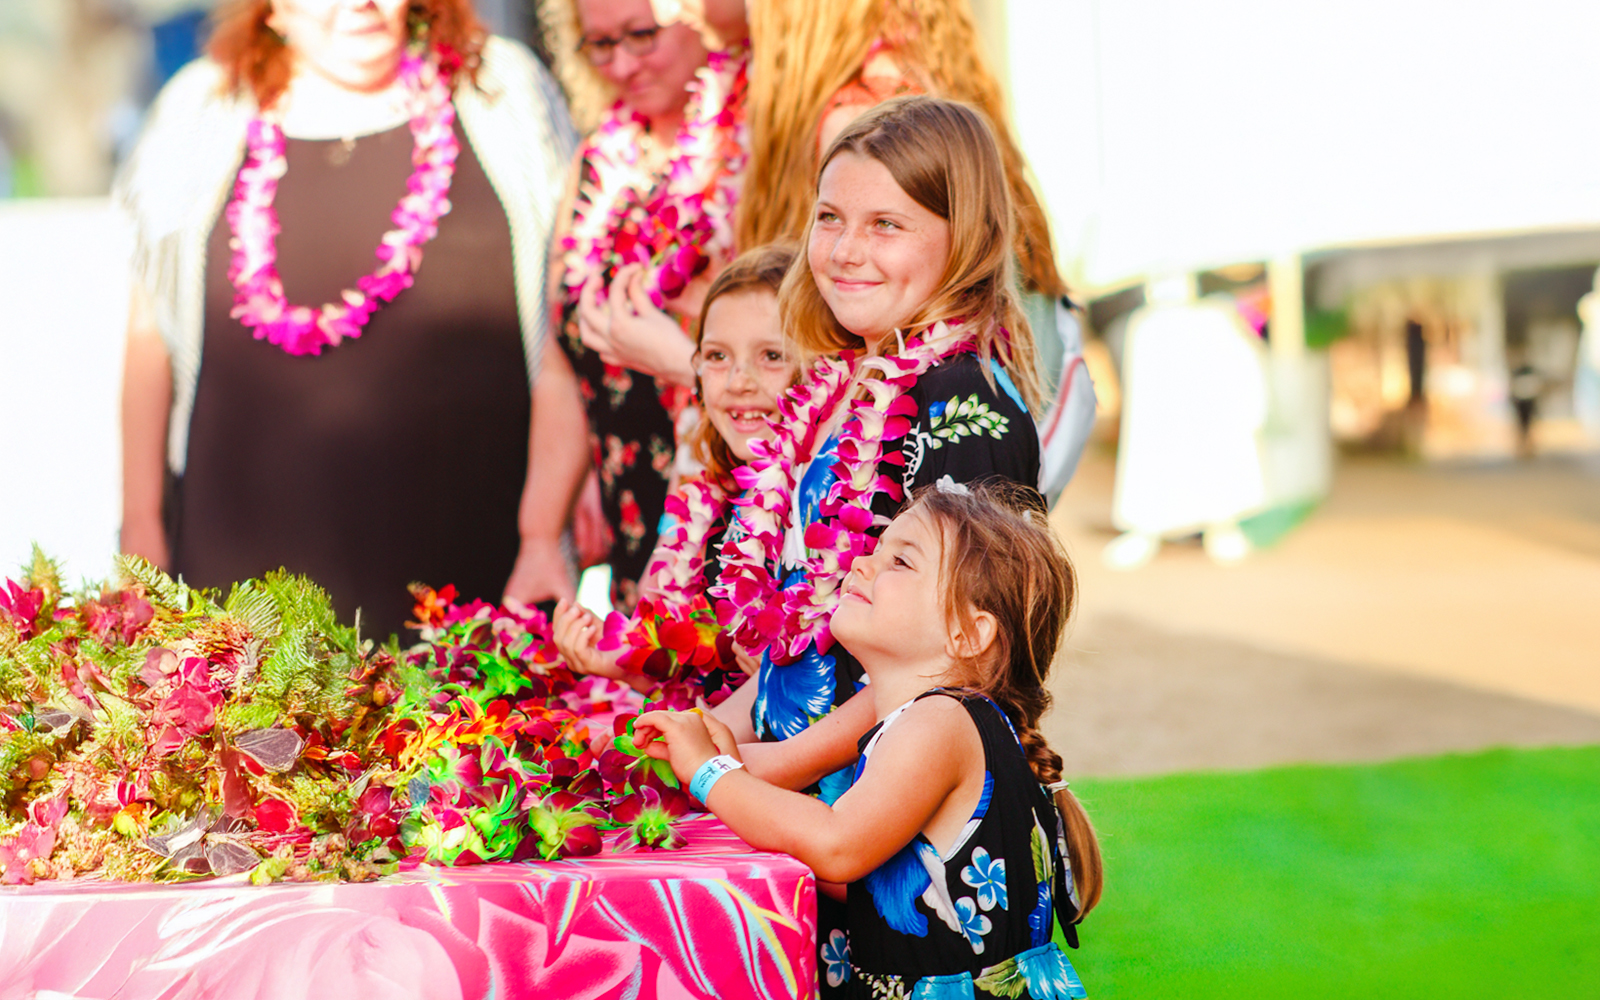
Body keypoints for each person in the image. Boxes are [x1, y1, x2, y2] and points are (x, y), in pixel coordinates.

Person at [116, 0, 586, 641]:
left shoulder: (500, 87)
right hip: (241, 577)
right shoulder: (203, 106)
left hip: (475, 565)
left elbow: (572, 315)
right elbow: (150, 335)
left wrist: (556, 512)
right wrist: (140, 529)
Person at [636, 481, 1101, 998]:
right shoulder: (935, 723)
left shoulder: (940, 723)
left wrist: (712, 775)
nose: (860, 564)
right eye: (876, 550)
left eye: (900, 561)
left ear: (969, 633)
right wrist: (729, 767)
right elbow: (866, 882)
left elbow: (837, 846)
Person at [713, 96, 1044, 785]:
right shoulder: (841, 386)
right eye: (829, 218)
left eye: (885, 225)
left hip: (883, 806)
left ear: (967, 237)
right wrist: (702, 737)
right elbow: (803, 643)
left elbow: (950, 668)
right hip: (790, 785)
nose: (845, 251)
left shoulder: (964, 404)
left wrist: (739, 772)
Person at [545, 0, 750, 612]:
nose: (624, 63)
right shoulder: (596, 162)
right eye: (600, 45)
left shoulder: (751, 144)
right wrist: (539, 534)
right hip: (634, 508)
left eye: (641, 34)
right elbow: (562, 358)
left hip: (737, 496)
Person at [550, 243, 796, 738]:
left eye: (771, 355)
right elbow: (691, 664)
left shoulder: (826, 508)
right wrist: (618, 661)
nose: (739, 380)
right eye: (717, 356)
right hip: (711, 754)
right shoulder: (708, 501)